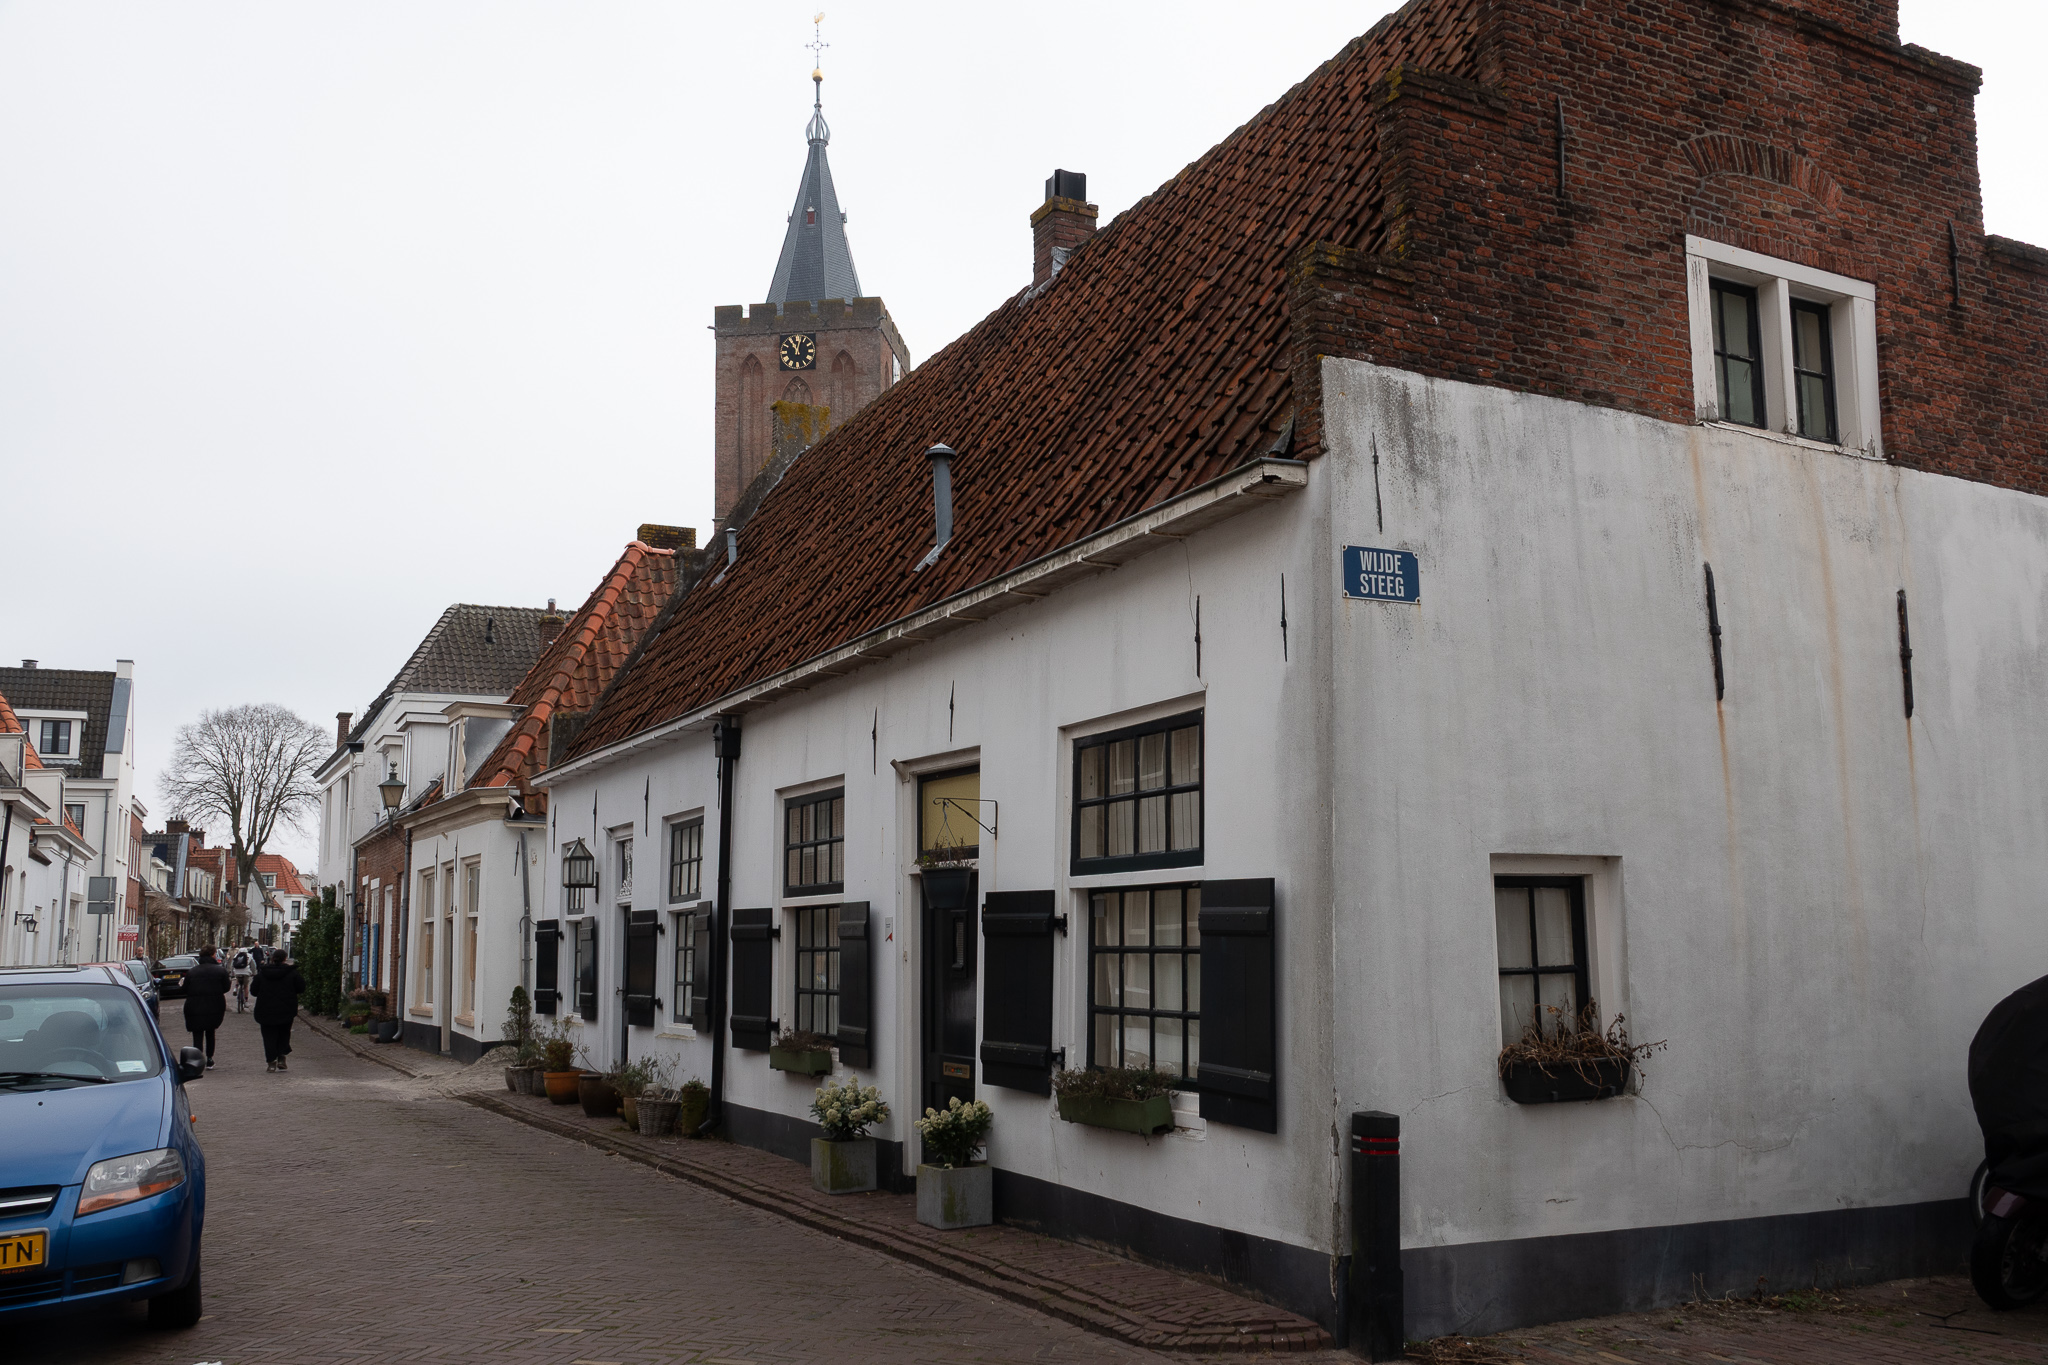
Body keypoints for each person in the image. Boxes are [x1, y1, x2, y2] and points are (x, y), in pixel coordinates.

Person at [251, 949, 306, 1072]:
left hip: (265, 1009)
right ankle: (281, 1057)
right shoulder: (292, 973)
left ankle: (271, 1061)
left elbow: (253, 991)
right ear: (285, 959)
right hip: (286, 1009)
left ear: (272, 958)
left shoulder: (263, 973)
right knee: (284, 1033)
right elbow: (301, 988)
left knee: (268, 1036)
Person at [182, 946, 231, 1068]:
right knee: (210, 1031)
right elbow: (226, 987)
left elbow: (185, 989)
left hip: (194, 1006)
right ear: (213, 955)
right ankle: (209, 1058)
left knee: (197, 1033)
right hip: (214, 1005)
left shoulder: (192, 972)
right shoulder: (220, 971)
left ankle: (198, 1059)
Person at [229, 943, 255, 1012]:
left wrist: (232, 972)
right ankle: (246, 1001)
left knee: (238, 977)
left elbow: (232, 964)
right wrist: (254, 973)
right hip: (246, 972)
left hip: (237, 972)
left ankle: (236, 988)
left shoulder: (236, 955)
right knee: (246, 986)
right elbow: (253, 965)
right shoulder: (249, 956)